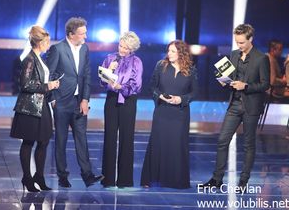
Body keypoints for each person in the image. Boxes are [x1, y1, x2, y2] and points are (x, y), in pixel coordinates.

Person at [202, 24, 270, 190]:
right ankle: (217, 179)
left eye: (241, 42)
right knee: (222, 140)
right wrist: (224, 81)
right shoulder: (233, 55)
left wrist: (245, 86)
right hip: (234, 104)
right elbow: (229, 77)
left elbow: (265, 84)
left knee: (248, 145)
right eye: (237, 42)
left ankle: (243, 182)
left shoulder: (261, 58)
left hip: (251, 107)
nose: (239, 45)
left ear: (250, 39)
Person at [46, 17, 103, 188]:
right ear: (71, 34)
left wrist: (85, 99)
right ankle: (62, 175)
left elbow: (86, 75)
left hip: (79, 102)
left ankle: (87, 175)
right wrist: (54, 99)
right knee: (61, 140)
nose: (85, 36)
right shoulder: (58, 49)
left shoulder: (85, 49)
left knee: (82, 139)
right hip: (62, 102)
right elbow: (50, 74)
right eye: (82, 33)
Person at [140, 40, 198, 189]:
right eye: (168, 51)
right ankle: (150, 178)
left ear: (181, 53)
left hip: (180, 113)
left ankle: (176, 180)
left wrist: (181, 99)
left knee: (177, 145)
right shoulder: (161, 66)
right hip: (162, 111)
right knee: (158, 143)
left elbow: (194, 92)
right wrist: (159, 96)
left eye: (173, 51)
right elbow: (152, 86)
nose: (169, 54)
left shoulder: (190, 69)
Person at [10, 26, 60, 192]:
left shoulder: (40, 59)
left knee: (44, 141)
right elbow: (24, 84)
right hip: (30, 107)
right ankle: (27, 177)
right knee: (28, 142)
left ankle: (39, 176)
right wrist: (48, 85)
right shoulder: (30, 59)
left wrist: (51, 91)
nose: (48, 44)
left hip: (42, 104)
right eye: (46, 41)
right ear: (40, 42)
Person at [99, 31, 143, 188]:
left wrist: (121, 87)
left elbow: (136, 84)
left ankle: (124, 179)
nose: (122, 49)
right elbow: (103, 81)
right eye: (120, 45)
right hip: (111, 100)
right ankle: (107, 178)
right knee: (109, 137)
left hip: (128, 101)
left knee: (126, 138)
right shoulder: (110, 58)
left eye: (125, 47)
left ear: (132, 49)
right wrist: (109, 71)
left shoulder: (137, 62)